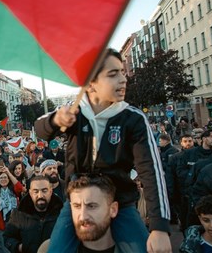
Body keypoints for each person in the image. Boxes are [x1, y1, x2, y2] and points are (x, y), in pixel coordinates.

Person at [35, 48, 171, 252]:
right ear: (90, 83)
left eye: (123, 72)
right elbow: (40, 128)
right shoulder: (74, 111)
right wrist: (56, 120)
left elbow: (151, 172)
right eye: (113, 74)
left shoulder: (133, 118)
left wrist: (159, 227)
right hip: (77, 201)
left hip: (120, 202)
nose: (123, 79)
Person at [4, 175, 63, 253]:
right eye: (36, 191)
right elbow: (8, 238)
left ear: (51, 191)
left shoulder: (62, 214)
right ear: (30, 193)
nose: (40, 195)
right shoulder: (19, 214)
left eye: (44, 190)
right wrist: (20, 247)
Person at [68, 174, 119, 252]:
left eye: (91, 206)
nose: (83, 217)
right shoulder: (47, 249)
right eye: (77, 206)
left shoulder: (139, 249)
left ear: (113, 210)